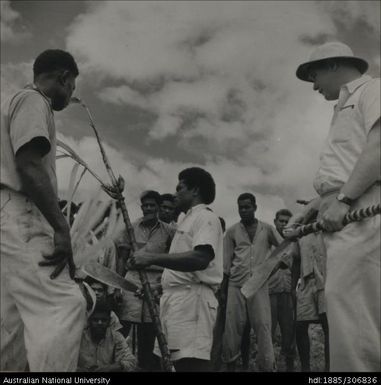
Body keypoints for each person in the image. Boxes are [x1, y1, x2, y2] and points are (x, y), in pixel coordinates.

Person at [291, 41, 380, 371]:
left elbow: (379, 148)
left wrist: (342, 200)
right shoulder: (345, 106)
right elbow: (347, 167)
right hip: (343, 216)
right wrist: (315, 205)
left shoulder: (373, 90)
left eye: (314, 75)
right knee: (347, 321)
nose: (313, 85)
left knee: (357, 327)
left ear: (332, 65)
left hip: (361, 214)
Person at [0, 49, 86, 371]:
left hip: (6, 218)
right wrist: (61, 227)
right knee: (63, 306)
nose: (71, 94)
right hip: (22, 214)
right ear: (63, 77)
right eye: (72, 86)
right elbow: (29, 164)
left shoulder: (10, 104)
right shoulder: (34, 101)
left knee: (10, 321)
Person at [129, 167, 223, 372]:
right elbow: (183, 267)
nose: (175, 193)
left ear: (195, 190)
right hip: (177, 302)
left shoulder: (206, 218)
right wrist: (161, 288)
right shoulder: (185, 221)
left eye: (180, 187)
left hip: (193, 303)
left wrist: (150, 258)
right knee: (172, 363)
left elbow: (201, 258)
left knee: (191, 363)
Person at [115, 190, 174, 371]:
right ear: (141, 207)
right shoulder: (130, 227)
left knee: (149, 333)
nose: (148, 208)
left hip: (155, 283)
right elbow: (122, 259)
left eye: (152, 205)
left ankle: (147, 366)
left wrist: (164, 286)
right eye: (145, 205)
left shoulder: (169, 231)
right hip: (131, 281)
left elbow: (172, 260)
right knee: (121, 328)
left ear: (158, 208)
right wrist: (117, 286)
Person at [221, 193, 279, 371]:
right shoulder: (232, 231)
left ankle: (267, 367)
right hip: (236, 285)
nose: (244, 210)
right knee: (232, 329)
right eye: (241, 208)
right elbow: (226, 264)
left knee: (263, 326)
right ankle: (231, 365)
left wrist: (270, 269)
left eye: (247, 207)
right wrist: (223, 292)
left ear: (255, 207)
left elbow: (285, 249)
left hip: (258, 286)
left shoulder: (267, 229)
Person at [292, 232, 330, 372]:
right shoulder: (301, 233)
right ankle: (305, 368)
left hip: (328, 282)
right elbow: (296, 262)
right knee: (300, 325)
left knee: (328, 327)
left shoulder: (330, 228)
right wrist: (292, 288)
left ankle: (329, 369)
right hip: (306, 283)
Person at [268, 209, 296, 371]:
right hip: (270, 291)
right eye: (281, 221)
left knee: (289, 332)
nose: (284, 224)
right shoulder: (267, 242)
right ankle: (269, 365)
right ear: (275, 221)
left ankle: (289, 367)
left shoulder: (293, 243)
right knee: (268, 333)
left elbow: (296, 267)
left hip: (287, 292)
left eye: (287, 222)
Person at [77, 301, 136, 372]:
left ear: (109, 321)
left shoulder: (116, 337)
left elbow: (131, 361)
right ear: (89, 320)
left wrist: (111, 368)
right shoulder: (78, 337)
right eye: (95, 320)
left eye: (104, 320)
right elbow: (64, 361)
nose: (100, 323)